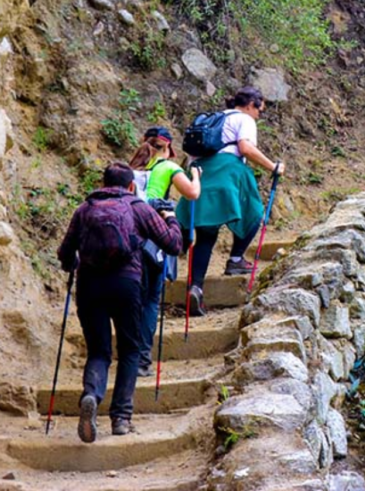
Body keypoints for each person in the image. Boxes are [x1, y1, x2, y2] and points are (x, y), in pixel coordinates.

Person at [57, 162, 183, 442]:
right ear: (131, 185)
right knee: (129, 350)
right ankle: (121, 418)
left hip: (89, 285)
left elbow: (65, 253)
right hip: (126, 284)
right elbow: (174, 244)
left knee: (98, 351)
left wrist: (74, 264)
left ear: (103, 183)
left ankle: (91, 395)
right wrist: (171, 217)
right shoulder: (138, 207)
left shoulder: (85, 209)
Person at [176, 86, 285, 317]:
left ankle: (195, 288)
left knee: (206, 235)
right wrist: (273, 167)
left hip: (199, 175)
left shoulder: (212, 119)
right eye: (260, 110)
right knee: (255, 212)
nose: (259, 115)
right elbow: (246, 148)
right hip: (226, 172)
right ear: (251, 104)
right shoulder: (244, 119)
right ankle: (236, 258)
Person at [129, 127, 202, 377]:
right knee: (151, 299)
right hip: (154, 237)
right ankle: (141, 360)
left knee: (135, 297)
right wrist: (195, 176)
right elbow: (192, 193)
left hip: (129, 236)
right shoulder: (168, 167)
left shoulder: (133, 167)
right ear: (168, 147)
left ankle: (128, 353)